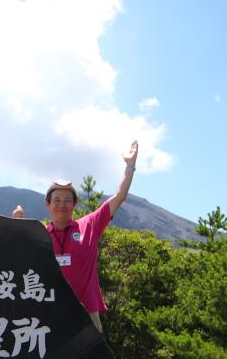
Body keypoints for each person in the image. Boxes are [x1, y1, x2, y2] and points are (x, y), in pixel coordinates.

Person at [12, 141, 139, 331]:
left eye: (67, 200)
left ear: (74, 204)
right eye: (56, 200)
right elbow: (16, 251)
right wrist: (17, 221)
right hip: (50, 315)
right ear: (48, 205)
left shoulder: (89, 225)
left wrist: (130, 166)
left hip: (87, 314)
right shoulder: (40, 235)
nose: (61, 204)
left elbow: (120, 196)